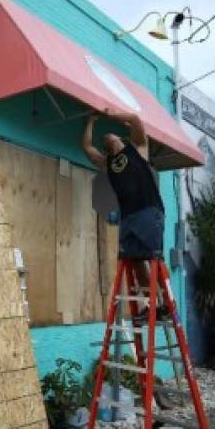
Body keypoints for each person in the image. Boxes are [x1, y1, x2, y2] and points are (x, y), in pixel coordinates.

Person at [82, 107, 168, 316]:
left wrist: (107, 112)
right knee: (136, 261)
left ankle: (165, 302)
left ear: (121, 137)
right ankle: (151, 305)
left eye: (110, 135)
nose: (106, 137)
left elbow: (134, 118)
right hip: (128, 218)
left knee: (154, 258)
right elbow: (87, 148)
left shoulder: (137, 148)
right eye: (104, 140)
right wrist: (91, 121)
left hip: (148, 211)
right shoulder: (108, 163)